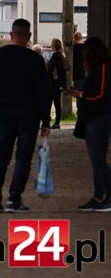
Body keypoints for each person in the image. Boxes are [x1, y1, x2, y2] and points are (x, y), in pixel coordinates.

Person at [0, 19, 51, 213]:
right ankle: (14, 200)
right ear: (29, 37)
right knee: (23, 157)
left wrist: (0, 104)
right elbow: (43, 93)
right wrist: (45, 120)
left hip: (5, 112)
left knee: (1, 155)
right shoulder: (36, 60)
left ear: (11, 35)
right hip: (29, 114)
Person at [68, 36, 111, 212]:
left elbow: (100, 93)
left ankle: (108, 196)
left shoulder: (102, 68)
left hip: (99, 117)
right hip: (92, 117)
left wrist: (81, 95)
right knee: (96, 161)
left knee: (98, 160)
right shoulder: (95, 69)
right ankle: (98, 196)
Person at [47, 38, 67, 129]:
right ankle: (56, 121)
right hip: (58, 83)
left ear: (53, 46)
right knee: (57, 103)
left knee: (49, 103)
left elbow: (50, 70)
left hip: (53, 83)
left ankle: (48, 121)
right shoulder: (61, 56)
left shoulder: (55, 56)